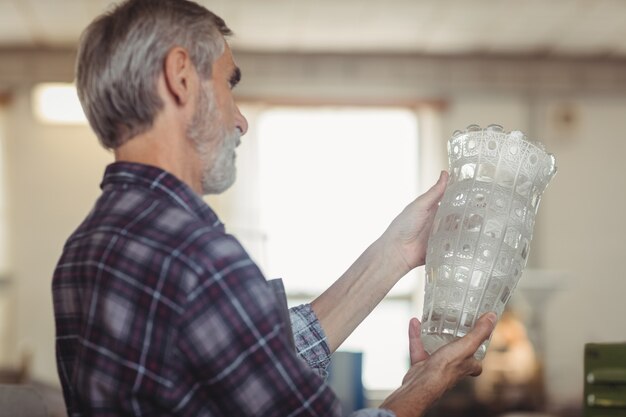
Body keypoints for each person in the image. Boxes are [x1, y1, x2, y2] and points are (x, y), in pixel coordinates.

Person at [51, 0, 496, 416]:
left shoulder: (85, 248)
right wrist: (428, 381)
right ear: (181, 77)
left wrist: (395, 253)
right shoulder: (199, 260)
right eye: (228, 83)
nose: (240, 119)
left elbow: (250, 363)